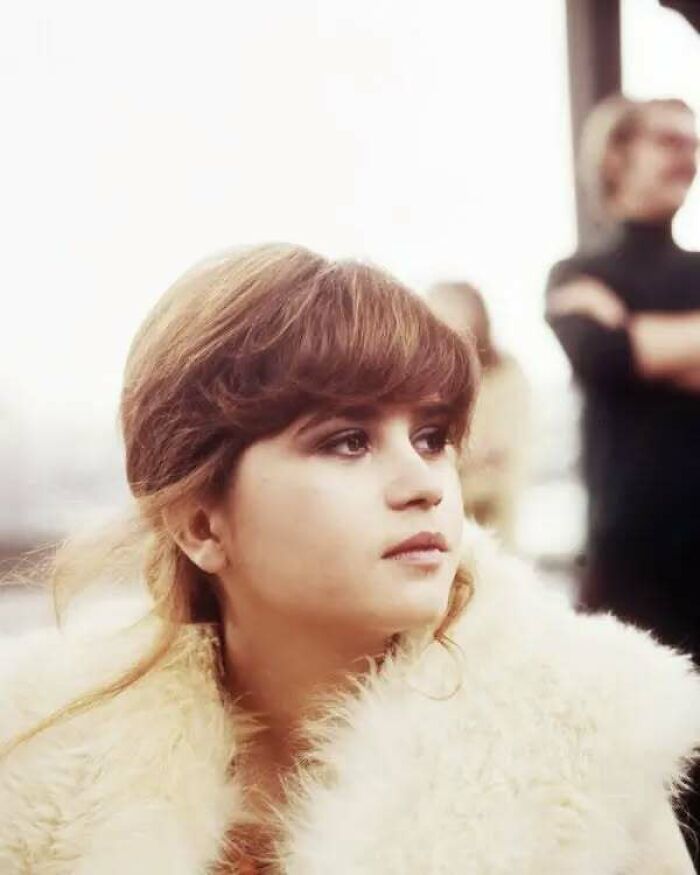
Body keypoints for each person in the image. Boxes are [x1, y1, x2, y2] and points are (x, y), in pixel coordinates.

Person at [1, 243, 699, 874]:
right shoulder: (35, 754)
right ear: (200, 524)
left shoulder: (587, 743)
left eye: (431, 436)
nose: (424, 483)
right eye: (347, 441)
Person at [545, 95, 700, 656]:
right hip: (628, 563)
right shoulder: (577, 271)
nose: (688, 157)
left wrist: (632, 333)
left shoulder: (596, 287)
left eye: (693, 143)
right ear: (615, 156)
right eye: (668, 141)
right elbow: (601, 355)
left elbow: (618, 350)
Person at [427, 281, 530, 548]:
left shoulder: (506, 375)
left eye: (452, 313)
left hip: (492, 527)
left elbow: (500, 454)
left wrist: (453, 460)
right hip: (441, 527)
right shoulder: (428, 383)